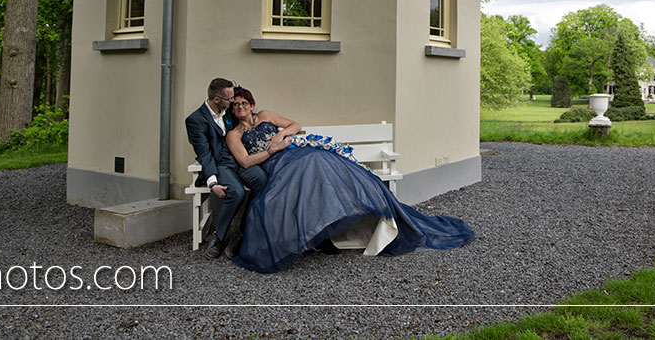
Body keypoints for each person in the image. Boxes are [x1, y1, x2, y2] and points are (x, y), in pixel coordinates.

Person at [224, 87, 474, 273]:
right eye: (235, 105)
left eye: (244, 102)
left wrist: (282, 137)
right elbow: (245, 162)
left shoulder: (266, 115)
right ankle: (318, 236)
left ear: (251, 102)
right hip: (277, 164)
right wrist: (270, 151)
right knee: (307, 172)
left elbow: (295, 124)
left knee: (322, 162)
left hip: (295, 152)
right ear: (231, 110)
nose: (241, 107)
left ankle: (341, 222)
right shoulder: (234, 135)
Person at [184, 77, 267, 260]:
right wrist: (212, 182)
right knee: (236, 192)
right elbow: (204, 153)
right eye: (230, 100)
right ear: (216, 100)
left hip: (239, 159)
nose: (234, 103)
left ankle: (242, 231)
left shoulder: (228, 110)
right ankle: (219, 237)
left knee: (261, 179)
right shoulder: (195, 121)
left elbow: (245, 117)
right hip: (220, 165)